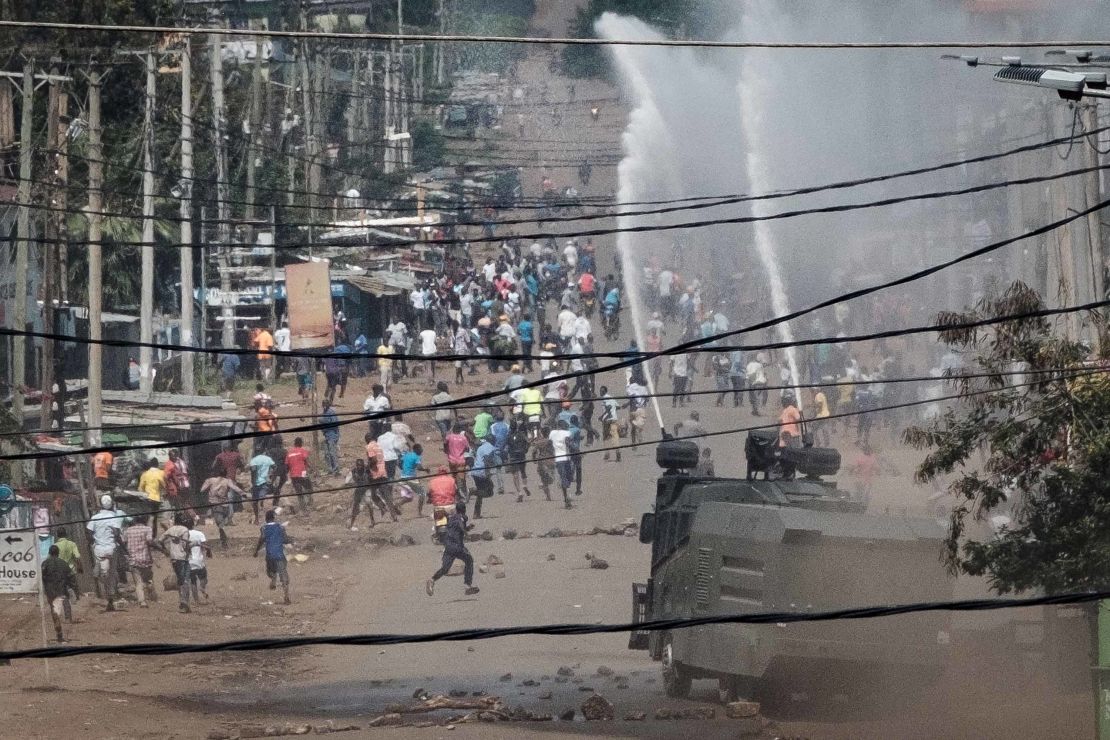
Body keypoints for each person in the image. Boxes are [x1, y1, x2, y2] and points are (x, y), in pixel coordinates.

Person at [426, 504, 480, 597]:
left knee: (445, 568)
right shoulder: (462, 517)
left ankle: (432, 580)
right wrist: (466, 534)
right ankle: (467, 585)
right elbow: (460, 524)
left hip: (448, 546)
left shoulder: (451, 518)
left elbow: (456, 528)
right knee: (469, 560)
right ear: (464, 510)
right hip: (457, 546)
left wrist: (468, 528)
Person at [253, 509, 293, 605]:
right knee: (283, 575)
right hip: (280, 554)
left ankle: (273, 579)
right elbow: (285, 540)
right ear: (274, 518)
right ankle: (286, 595)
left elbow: (261, 539)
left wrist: (256, 551)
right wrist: (290, 541)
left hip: (270, 554)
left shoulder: (264, 528)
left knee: (270, 571)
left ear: (266, 519)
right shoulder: (280, 527)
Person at [42, 545, 78, 642]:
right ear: (58, 553)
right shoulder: (64, 563)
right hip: (61, 590)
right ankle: (64, 625)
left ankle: (59, 633)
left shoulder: (45, 563)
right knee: (59, 609)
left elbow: (42, 576)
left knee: (55, 612)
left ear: (49, 553)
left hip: (50, 591)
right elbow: (71, 576)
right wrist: (73, 588)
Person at [159, 514, 193, 614]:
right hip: (183, 558)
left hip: (174, 558)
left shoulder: (171, 530)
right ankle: (184, 602)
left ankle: (183, 602)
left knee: (180, 580)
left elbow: (160, 540)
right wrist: (192, 545)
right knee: (185, 580)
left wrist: (165, 549)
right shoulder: (184, 529)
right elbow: (185, 544)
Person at [200, 475, 243, 549]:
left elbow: (202, 490)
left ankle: (224, 541)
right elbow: (235, 488)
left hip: (215, 504)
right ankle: (224, 541)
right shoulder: (227, 481)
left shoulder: (210, 480)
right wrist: (242, 493)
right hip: (224, 504)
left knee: (220, 524)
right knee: (223, 522)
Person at [123, 514, 157, 608]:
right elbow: (150, 541)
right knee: (148, 579)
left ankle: (142, 602)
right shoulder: (147, 529)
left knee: (138, 582)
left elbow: (123, 542)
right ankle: (151, 594)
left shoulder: (128, 531)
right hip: (145, 559)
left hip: (133, 560)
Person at [54, 528, 81, 622]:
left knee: (63, 594)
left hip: (60, 573)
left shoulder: (55, 546)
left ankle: (67, 617)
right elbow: (77, 557)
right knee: (71, 587)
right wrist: (80, 567)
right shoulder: (72, 544)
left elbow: (51, 559)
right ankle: (74, 592)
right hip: (71, 571)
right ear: (66, 534)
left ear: (57, 535)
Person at [470, 435, 499, 519]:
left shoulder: (481, 447)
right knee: (489, 491)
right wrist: (487, 473)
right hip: (481, 472)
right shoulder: (490, 447)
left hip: (475, 471)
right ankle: (471, 491)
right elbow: (486, 460)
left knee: (480, 493)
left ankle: (476, 513)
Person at [548, 420, 574, 508]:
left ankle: (566, 495)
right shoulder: (567, 433)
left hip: (558, 459)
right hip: (566, 458)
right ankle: (567, 497)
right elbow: (569, 442)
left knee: (564, 477)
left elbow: (550, 443)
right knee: (568, 477)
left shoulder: (552, 433)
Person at [137, 458, 167, 534]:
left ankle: (150, 534)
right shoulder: (161, 472)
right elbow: (164, 484)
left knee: (150, 517)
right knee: (153, 517)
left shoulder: (145, 474)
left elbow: (140, 488)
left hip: (147, 498)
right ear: (157, 464)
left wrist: (142, 496)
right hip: (156, 498)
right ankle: (151, 534)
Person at [400, 443, 430, 516]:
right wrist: (425, 469)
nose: (422, 450)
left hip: (403, 477)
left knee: (409, 497)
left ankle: (397, 505)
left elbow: (400, 462)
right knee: (422, 494)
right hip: (410, 478)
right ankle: (420, 513)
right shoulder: (417, 457)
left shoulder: (407, 454)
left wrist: (404, 468)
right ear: (417, 449)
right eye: (421, 448)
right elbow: (419, 467)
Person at [187, 518, 212, 605]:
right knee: (204, 578)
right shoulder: (199, 533)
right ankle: (202, 587)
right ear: (193, 524)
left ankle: (197, 601)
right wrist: (209, 552)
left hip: (189, 561)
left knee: (192, 582)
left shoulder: (183, 535)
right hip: (199, 561)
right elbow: (206, 545)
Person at [506, 422, 531, 502]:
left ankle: (519, 492)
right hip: (521, 455)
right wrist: (526, 450)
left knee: (515, 475)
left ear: (510, 428)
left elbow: (506, 446)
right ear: (516, 427)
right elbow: (528, 441)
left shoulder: (508, 436)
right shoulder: (521, 434)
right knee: (523, 472)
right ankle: (525, 485)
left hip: (513, 456)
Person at [248, 448, 275, 524]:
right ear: (263, 452)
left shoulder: (254, 460)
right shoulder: (268, 459)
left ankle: (257, 519)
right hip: (265, 482)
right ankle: (266, 519)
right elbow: (275, 467)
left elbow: (253, 470)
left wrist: (253, 482)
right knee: (263, 499)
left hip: (256, 483)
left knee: (255, 502)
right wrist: (271, 477)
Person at [286, 437, 313, 513]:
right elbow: (307, 460)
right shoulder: (303, 451)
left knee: (299, 492)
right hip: (303, 473)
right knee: (308, 487)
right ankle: (310, 502)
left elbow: (287, 466)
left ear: (294, 443)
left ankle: (303, 509)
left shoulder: (289, 453)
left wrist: (287, 475)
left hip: (294, 475)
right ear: (301, 443)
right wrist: (311, 468)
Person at [444, 423, 471, 496]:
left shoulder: (449, 437)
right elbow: (467, 449)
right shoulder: (463, 438)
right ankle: (463, 492)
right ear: (459, 430)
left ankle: (457, 491)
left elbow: (445, 443)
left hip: (452, 460)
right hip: (461, 461)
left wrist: (447, 450)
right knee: (462, 478)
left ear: (453, 429)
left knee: (454, 476)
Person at [599, 386, 622, 463]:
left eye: (601, 391)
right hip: (614, 419)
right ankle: (618, 452)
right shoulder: (611, 398)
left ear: (604, 392)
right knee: (615, 436)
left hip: (607, 420)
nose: (600, 392)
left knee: (605, 437)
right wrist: (613, 411)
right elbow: (618, 407)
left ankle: (607, 453)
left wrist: (602, 416)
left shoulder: (604, 398)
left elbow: (608, 407)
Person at [321, 402, 341, 475]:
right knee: (327, 454)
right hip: (327, 435)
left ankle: (336, 469)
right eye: (323, 405)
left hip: (332, 435)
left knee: (332, 453)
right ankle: (330, 469)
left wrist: (323, 421)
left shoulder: (331, 412)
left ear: (328, 405)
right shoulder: (324, 413)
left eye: (325, 405)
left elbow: (334, 423)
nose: (324, 407)